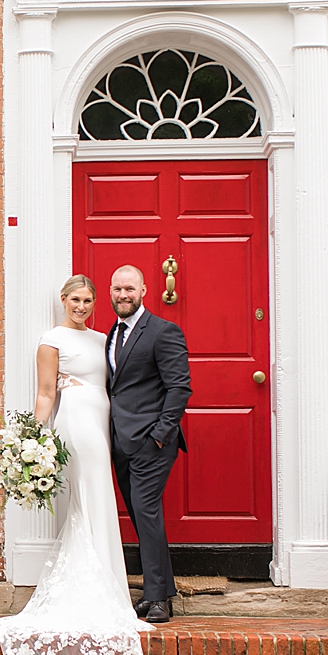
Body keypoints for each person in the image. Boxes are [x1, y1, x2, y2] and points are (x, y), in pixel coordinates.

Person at [0, 274, 153, 655]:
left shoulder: (104, 337)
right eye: (75, 300)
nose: (81, 306)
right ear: (63, 300)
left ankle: (107, 583)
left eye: (88, 300)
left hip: (104, 419)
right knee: (92, 494)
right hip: (77, 421)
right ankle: (105, 590)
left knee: (98, 499)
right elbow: (46, 392)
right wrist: (35, 437)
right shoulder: (52, 340)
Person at [104, 264, 192, 623]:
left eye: (129, 289)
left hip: (151, 444)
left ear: (143, 291)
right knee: (144, 518)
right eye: (116, 289)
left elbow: (179, 387)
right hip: (119, 442)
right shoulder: (111, 333)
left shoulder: (162, 331)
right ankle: (161, 587)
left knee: (146, 512)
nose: (122, 295)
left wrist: (160, 435)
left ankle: (157, 600)